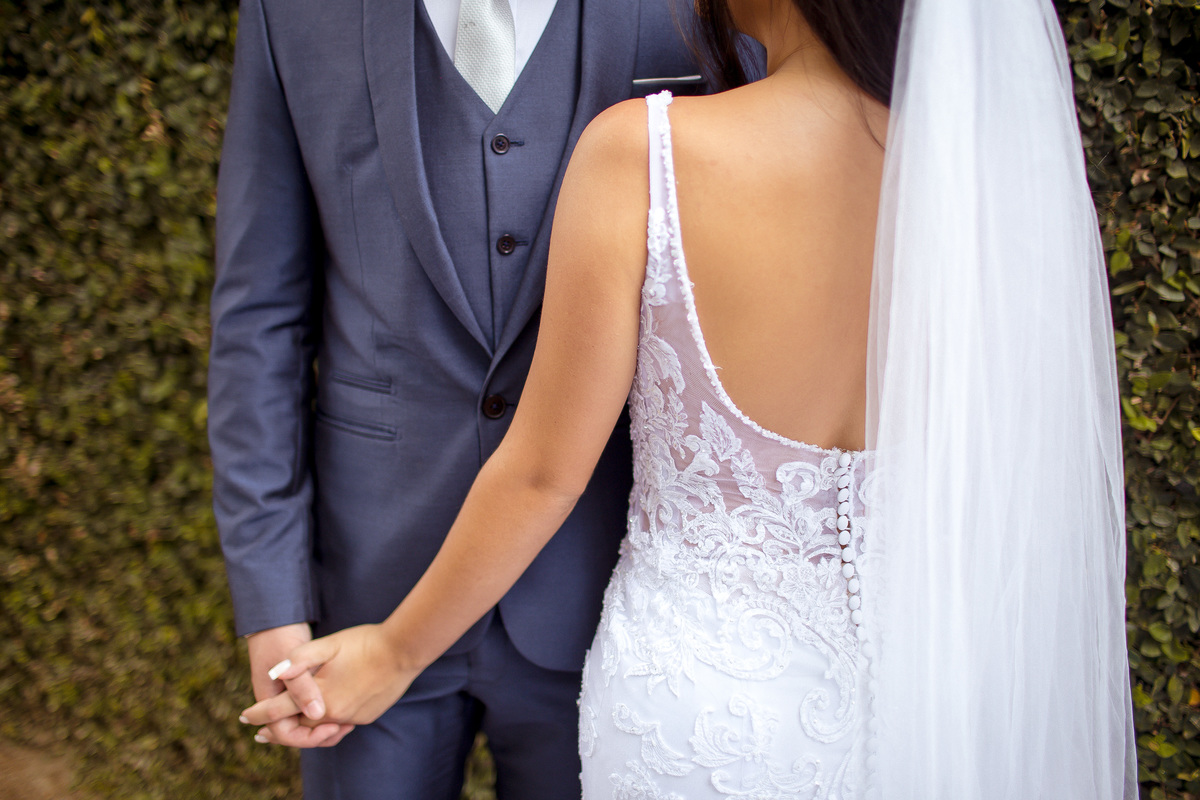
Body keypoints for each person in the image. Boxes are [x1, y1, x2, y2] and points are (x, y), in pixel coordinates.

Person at [240, 0, 1140, 796]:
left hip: (683, 700)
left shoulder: (654, 149)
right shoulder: (993, 195)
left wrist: (395, 650)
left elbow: (545, 471)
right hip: (923, 702)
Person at [208, 0, 707, 796]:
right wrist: (270, 595)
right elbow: (258, 316)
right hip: (368, 591)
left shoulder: (701, 8)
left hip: (611, 595)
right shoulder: (291, 14)